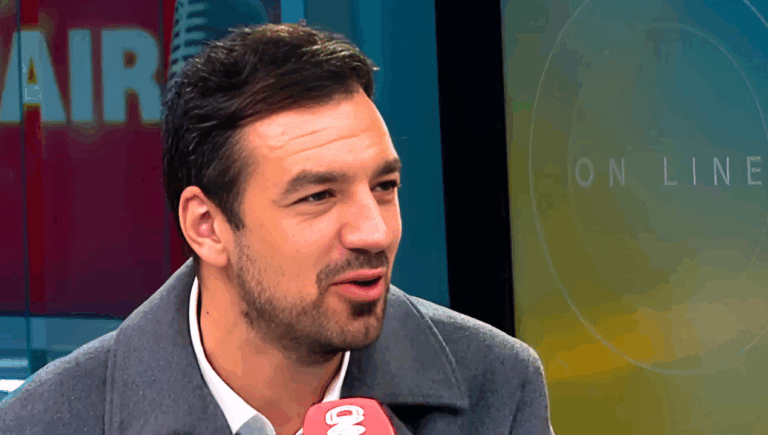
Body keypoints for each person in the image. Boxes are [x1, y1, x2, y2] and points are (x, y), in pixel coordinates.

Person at [0, 23, 554, 435]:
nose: (375, 232)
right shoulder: (47, 422)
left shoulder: (498, 387)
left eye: (384, 186)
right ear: (207, 226)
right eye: (318, 196)